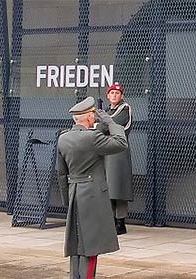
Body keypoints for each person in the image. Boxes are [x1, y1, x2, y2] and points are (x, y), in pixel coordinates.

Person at [56, 97, 127, 279]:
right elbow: (120, 143)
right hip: (93, 196)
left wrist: (67, 199)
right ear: (88, 117)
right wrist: (110, 121)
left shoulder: (63, 138)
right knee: (91, 246)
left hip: (74, 193)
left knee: (76, 244)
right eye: (93, 116)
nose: (95, 119)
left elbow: (61, 174)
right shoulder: (93, 137)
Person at [104, 82, 134, 235]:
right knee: (108, 188)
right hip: (107, 152)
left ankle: (120, 222)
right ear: (107, 95)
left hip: (118, 152)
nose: (114, 96)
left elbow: (112, 125)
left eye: (117, 93)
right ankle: (110, 220)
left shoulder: (125, 109)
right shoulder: (107, 110)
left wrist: (100, 123)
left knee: (119, 187)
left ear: (122, 95)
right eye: (112, 93)